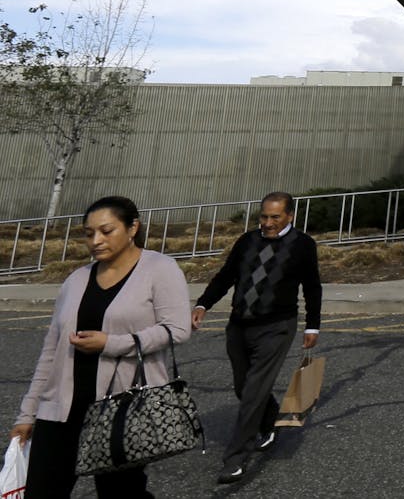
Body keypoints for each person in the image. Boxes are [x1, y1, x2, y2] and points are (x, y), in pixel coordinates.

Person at [10, 196, 191, 498]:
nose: (95, 240)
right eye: (88, 233)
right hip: (61, 409)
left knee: (120, 493)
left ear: (133, 227)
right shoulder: (76, 280)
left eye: (106, 231)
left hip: (122, 407)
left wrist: (111, 344)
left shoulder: (160, 268)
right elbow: (50, 353)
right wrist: (27, 414)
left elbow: (177, 329)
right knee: (42, 491)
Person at [192, 191, 322, 485]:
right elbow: (226, 276)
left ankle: (235, 459)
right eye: (263, 216)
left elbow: (312, 287)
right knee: (243, 386)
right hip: (239, 325)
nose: (268, 223)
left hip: (276, 327)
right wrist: (203, 304)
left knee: (252, 393)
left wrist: (312, 326)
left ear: (289, 216)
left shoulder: (302, 245)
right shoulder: (247, 241)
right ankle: (272, 420)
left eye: (275, 217)